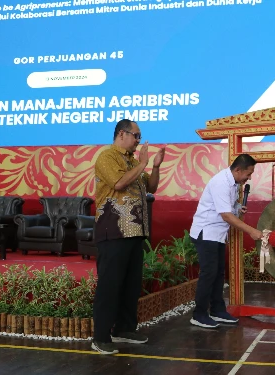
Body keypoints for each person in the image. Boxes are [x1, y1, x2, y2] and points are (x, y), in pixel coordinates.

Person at [91, 119, 166, 355]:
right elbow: (119, 183)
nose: (139, 140)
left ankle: (124, 328)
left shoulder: (133, 162)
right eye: (136, 135)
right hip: (113, 231)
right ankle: (100, 337)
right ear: (122, 134)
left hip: (135, 231)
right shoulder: (107, 157)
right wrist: (142, 163)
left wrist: (154, 166)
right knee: (110, 286)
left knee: (130, 286)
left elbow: (151, 188)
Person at [189, 154, 263, 329]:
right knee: (209, 274)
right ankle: (199, 315)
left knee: (218, 273)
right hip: (206, 232)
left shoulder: (234, 184)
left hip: (218, 234)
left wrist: (238, 207)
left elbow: (227, 207)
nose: (249, 177)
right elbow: (226, 215)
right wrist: (251, 230)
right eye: (249, 173)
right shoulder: (221, 182)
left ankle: (217, 310)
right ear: (238, 170)